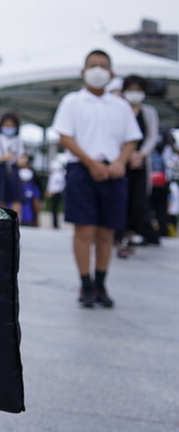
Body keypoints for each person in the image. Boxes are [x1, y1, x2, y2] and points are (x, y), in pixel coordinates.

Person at [52, 50, 142, 308]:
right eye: (93, 65)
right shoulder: (72, 101)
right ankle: (85, 284)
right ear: (83, 72)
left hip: (113, 172)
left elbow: (131, 139)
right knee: (84, 229)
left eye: (103, 66)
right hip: (82, 170)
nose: (98, 70)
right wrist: (91, 163)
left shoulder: (121, 105)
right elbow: (65, 136)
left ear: (112, 74)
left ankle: (101, 283)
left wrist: (119, 163)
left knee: (106, 231)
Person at [115, 75, 159, 256]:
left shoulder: (149, 112)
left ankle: (131, 234)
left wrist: (140, 154)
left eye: (139, 90)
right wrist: (126, 155)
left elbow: (152, 136)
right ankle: (119, 237)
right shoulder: (119, 109)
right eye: (131, 90)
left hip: (140, 163)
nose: (135, 94)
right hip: (121, 162)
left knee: (138, 201)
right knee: (120, 199)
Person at [0, 113, 24, 217]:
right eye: (7, 125)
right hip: (0, 170)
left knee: (17, 199)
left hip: (14, 170)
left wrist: (22, 161)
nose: (9, 128)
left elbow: (22, 156)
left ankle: (15, 222)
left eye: (12, 126)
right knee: (0, 199)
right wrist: (4, 158)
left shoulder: (18, 140)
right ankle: (1, 222)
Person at [17, 154, 42, 226]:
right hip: (14, 220)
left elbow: (36, 203)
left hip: (27, 221)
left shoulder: (32, 186)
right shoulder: (12, 184)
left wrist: (36, 219)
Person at [45, 155, 66, 229]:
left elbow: (59, 185)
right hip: (54, 192)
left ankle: (56, 224)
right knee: (54, 209)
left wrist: (52, 192)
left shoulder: (59, 174)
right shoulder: (56, 174)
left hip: (56, 193)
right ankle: (55, 224)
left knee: (55, 208)